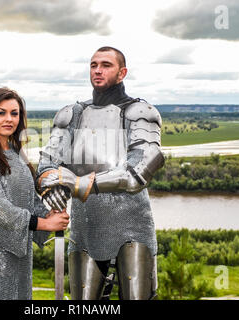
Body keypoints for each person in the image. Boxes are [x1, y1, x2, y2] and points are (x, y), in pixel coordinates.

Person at [36, 47, 165, 300]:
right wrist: (52, 186)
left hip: (132, 225)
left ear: (122, 72)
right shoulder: (72, 115)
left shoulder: (139, 113)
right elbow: (47, 164)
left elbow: (137, 173)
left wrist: (77, 183)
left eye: (106, 65)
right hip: (85, 225)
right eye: (93, 65)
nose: (97, 70)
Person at [0, 87, 69, 300]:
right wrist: (44, 224)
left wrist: (48, 214)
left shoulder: (15, 154)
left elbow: (29, 198)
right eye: (0, 112)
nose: (9, 119)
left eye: (15, 113)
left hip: (18, 260)